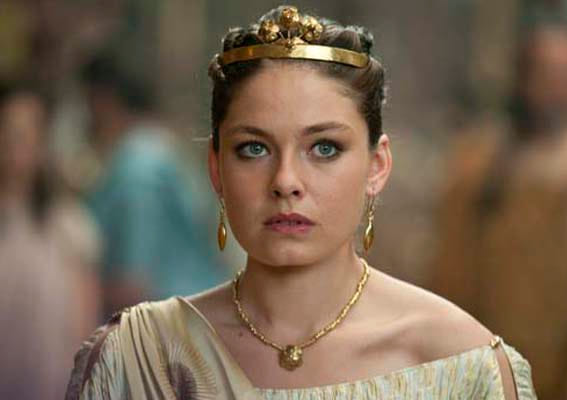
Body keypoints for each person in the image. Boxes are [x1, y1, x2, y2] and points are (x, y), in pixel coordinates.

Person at [66, 6, 537, 399]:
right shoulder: (140, 358)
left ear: (377, 166)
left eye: (324, 148)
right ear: (216, 167)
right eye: (254, 148)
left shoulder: (461, 366)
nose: (286, 182)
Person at [430, 24, 567, 399]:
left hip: (559, 380)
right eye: (546, 74)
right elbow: (446, 265)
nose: (557, 88)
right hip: (473, 370)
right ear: (522, 79)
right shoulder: (476, 160)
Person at [80, 53, 228, 317]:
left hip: (166, 320)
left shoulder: (138, 168)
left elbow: (133, 283)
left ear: (102, 100)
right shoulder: (161, 149)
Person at [0, 83, 101, 399]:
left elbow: (84, 325)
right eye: (8, 132)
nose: (15, 144)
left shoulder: (69, 224)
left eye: (26, 133)